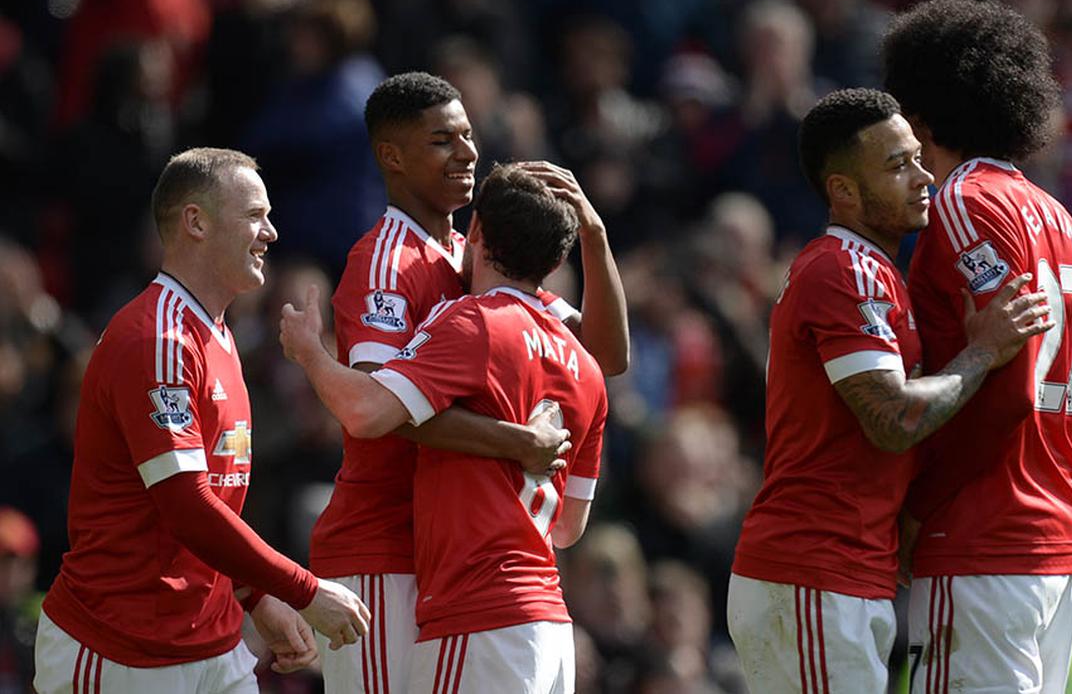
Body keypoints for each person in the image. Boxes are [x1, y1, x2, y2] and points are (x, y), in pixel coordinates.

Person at [309, 71, 628, 693]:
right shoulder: (385, 260)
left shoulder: (477, 256)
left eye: (468, 135)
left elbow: (604, 356)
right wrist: (515, 442)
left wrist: (595, 236)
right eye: (442, 140)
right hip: (382, 547)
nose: (467, 153)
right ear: (391, 156)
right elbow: (378, 408)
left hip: (450, 557)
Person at [727, 88, 1054, 693]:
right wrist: (983, 351)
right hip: (815, 571)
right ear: (843, 191)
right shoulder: (843, 269)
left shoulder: (872, 271)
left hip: (840, 574)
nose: (923, 176)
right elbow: (892, 418)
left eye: (917, 158)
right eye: (897, 165)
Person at [881, 0, 1072, 691]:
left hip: (982, 540)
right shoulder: (1054, 213)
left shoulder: (961, 204)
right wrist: (1042, 455)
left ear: (917, 114)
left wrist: (919, 512)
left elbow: (1010, 380)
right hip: (1058, 543)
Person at [33, 148, 370, 694]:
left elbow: (210, 505)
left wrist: (256, 598)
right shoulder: (159, 339)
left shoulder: (216, 335)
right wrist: (303, 591)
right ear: (195, 221)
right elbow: (188, 505)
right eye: (255, 215)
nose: (272, 233)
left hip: (211, 642)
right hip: (120, 650)